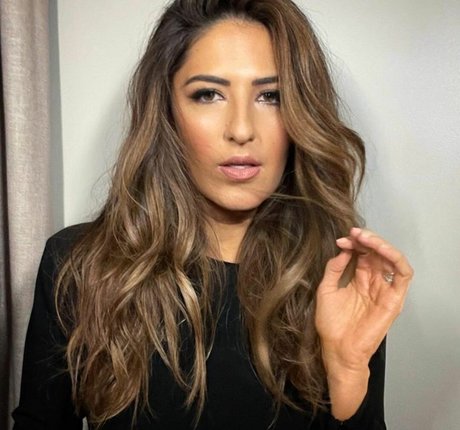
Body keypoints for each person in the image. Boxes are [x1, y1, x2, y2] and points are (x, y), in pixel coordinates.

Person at [12, 0, 413, 429]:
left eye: (271, 97)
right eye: (208, 94)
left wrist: (347, 373)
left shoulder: (340, 277)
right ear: (166, 111)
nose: (241, 129)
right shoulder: (82, 265)